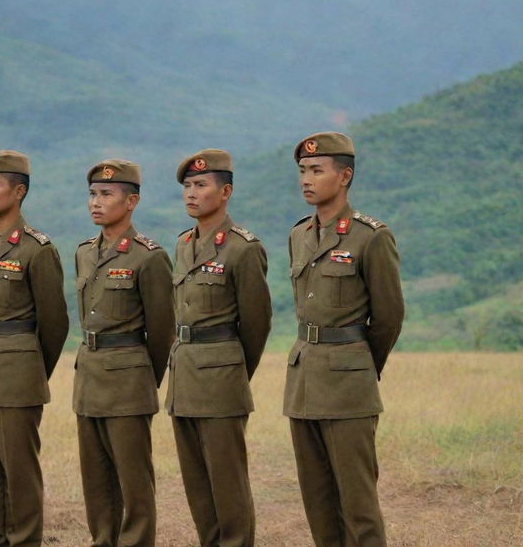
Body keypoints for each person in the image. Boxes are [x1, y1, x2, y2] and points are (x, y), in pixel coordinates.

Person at [283, 132, 404, 547]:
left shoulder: (370, 237)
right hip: (303, 382)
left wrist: (360, 365)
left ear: (345, 176)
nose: (307, 179)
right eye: (302, 171)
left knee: (358, 504)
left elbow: (388, 317)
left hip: (349, 384)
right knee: (317, 500)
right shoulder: (299, 235)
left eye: (317, 170)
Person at [165, 148, 272, 547]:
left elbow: (257, 324)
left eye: (201, 185)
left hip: (222, 377)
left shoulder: (243, 248)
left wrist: (232, 371)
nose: (191, 193)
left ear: (224, 192)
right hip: (185, 377)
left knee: (227, 483)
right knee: (197, 483)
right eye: (188, 186)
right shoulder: (183, 245)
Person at [0, 149, 69, 547]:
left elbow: (55, 323)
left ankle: (25, 540)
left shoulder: (36, 249)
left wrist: (31, 371)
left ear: (19, 191)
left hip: (18, 371)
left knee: (19, 470)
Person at [73, 159, 175, 547]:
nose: (96, 203)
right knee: (96, 478)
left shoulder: (148, 257)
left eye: (107, 195)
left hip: (128, 380)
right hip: (89, 379)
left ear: (131, 201)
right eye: (93, 194)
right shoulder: (84, 252)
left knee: (133, 481)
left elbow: (162, 330)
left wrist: (142, 379)